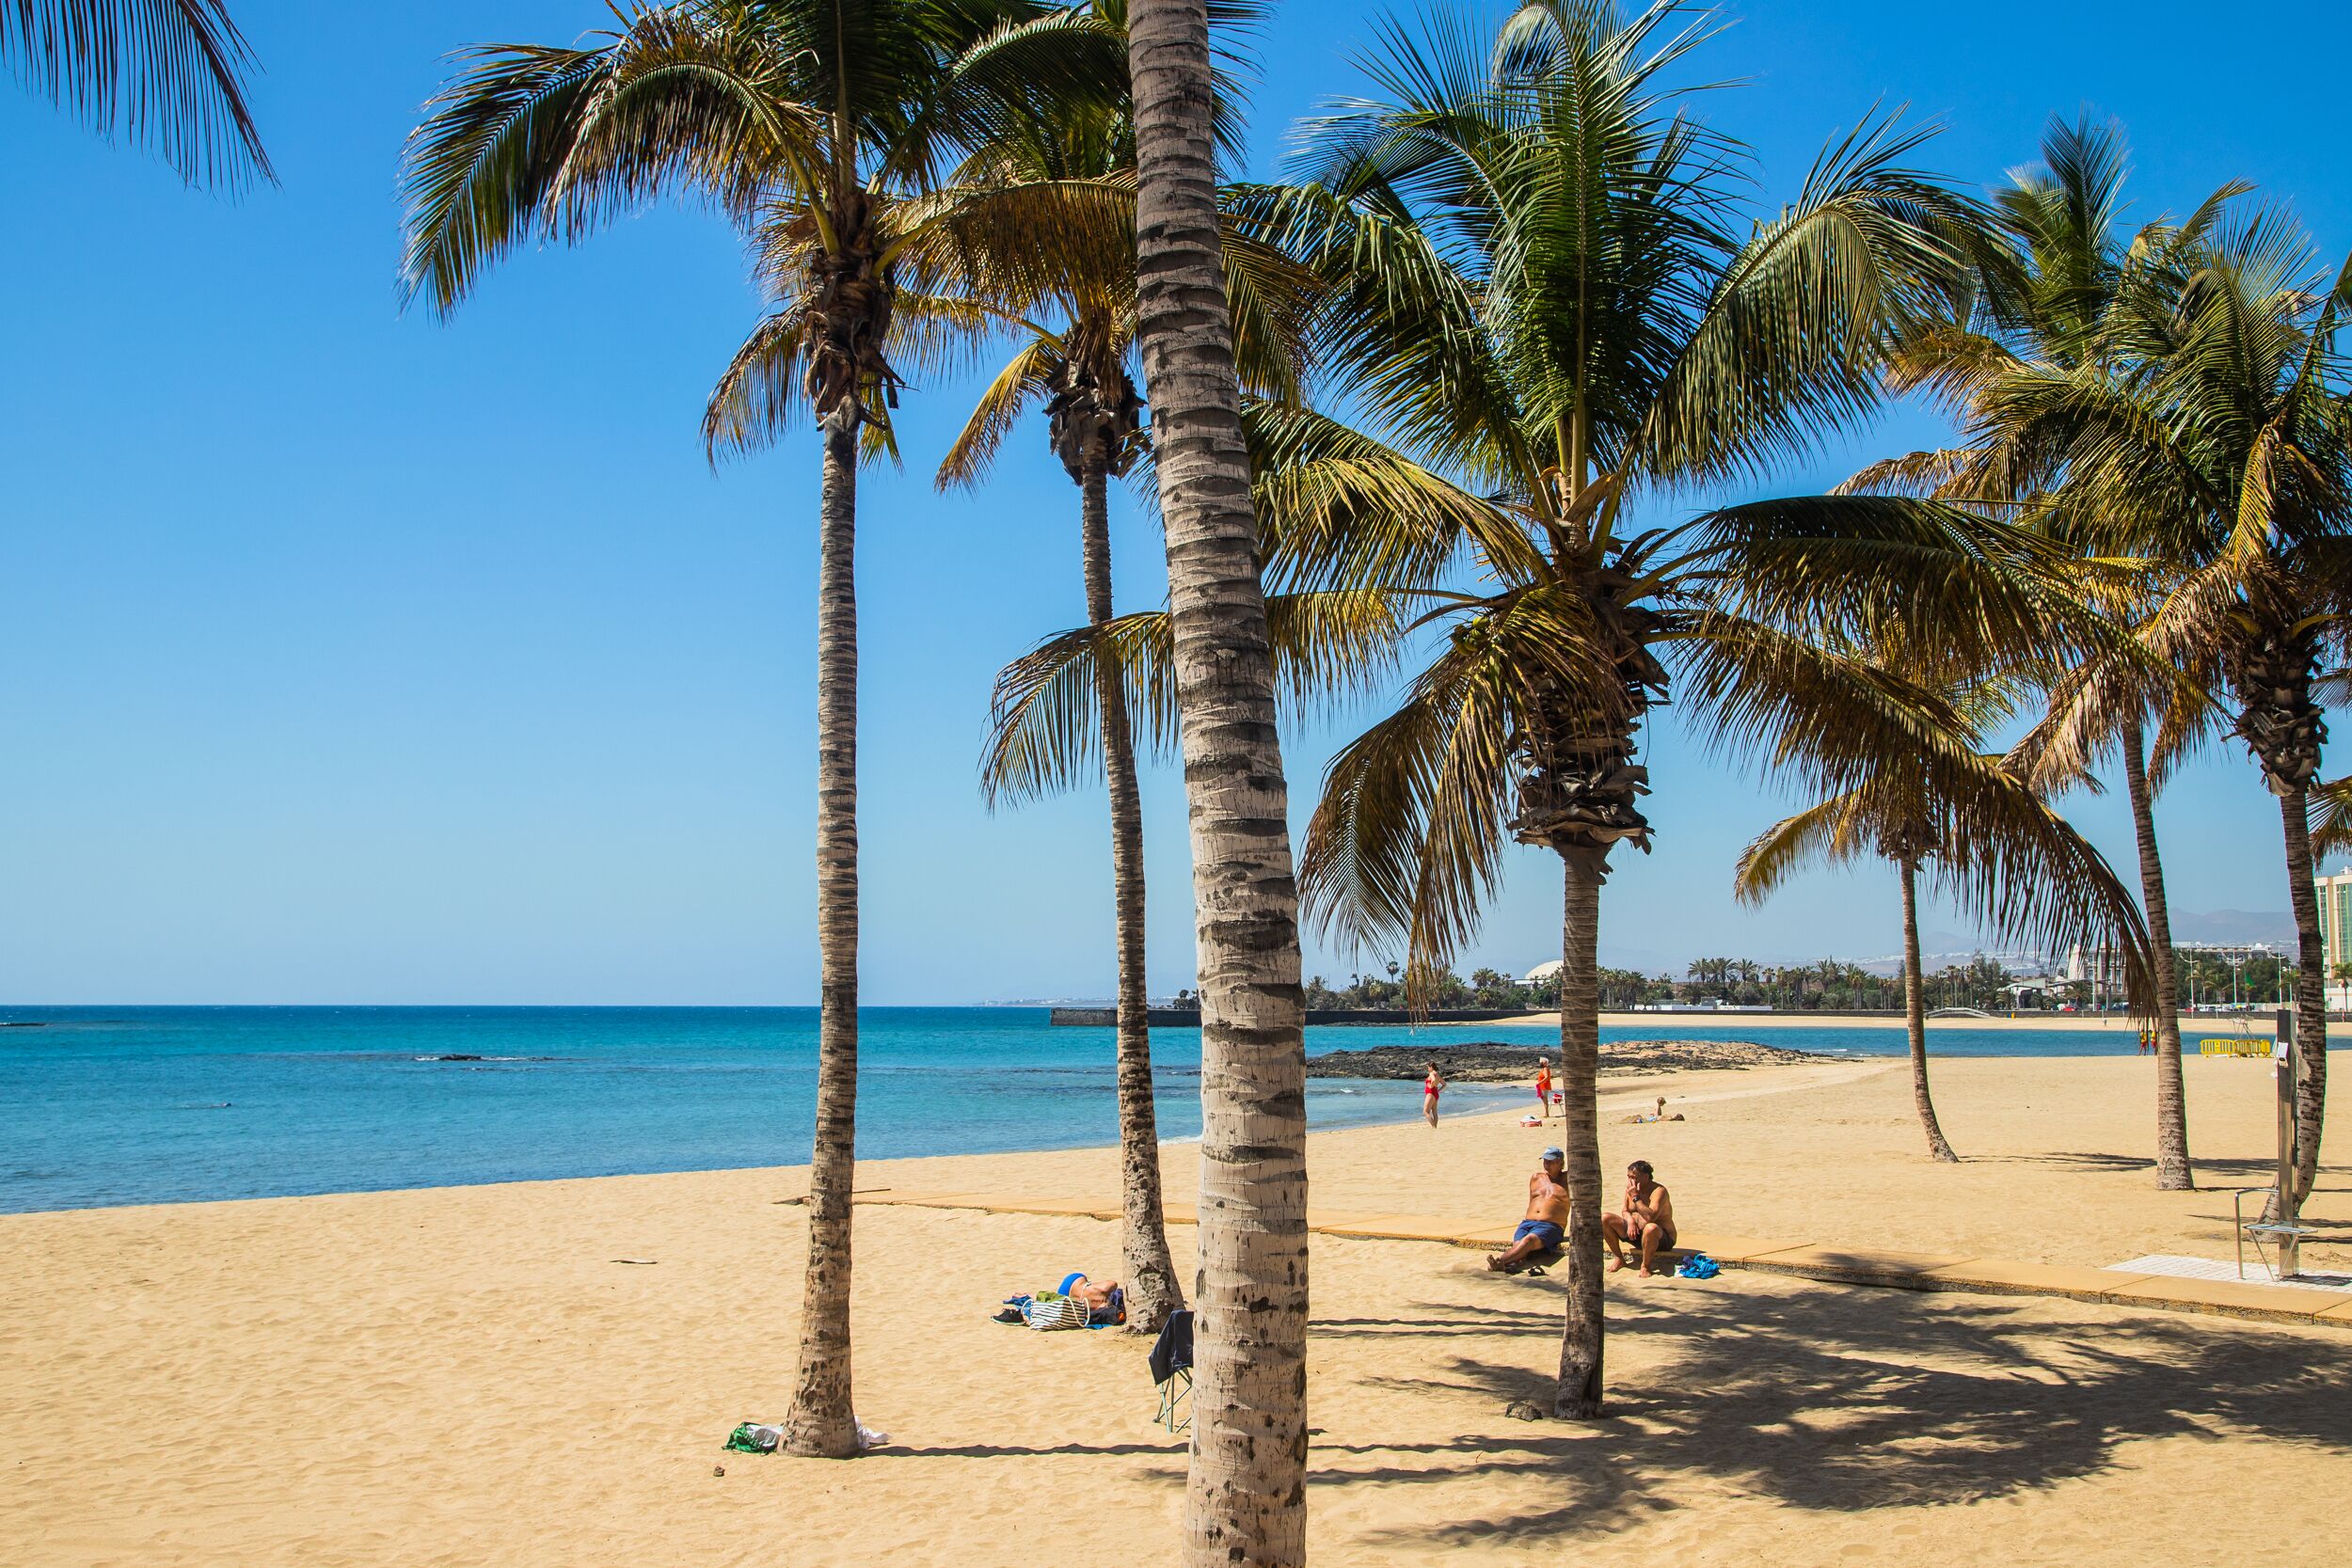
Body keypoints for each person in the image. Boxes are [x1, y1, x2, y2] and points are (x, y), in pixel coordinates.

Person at [1487, 1148, 1570, 1274]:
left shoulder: (1568, 1179)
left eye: (1550, 1161)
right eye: (1545, 1161)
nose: (1546, 1164)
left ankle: (1500, 1262)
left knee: (1528, 1241)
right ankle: (1514, 1265)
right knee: (1519, 1246)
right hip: (1527, 1223)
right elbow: (1532, 1200)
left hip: (1551, 1226)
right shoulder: (1536, 1177)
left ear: (1560, 1162)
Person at [1603, 1159, 1677, 1276]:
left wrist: (1636, 1197)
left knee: (1650, 1228)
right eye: (1628, 1177)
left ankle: (1645, 1266)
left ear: (1646, 1177)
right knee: (1605, 1218)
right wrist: (1631, 1221)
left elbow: (1650, 1218)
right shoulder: (1631, 1189)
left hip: (1660, 1239)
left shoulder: (1659, 1191)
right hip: (1636, 1233)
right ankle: (1619, 1259)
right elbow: (1625, 1210)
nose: (1630, 1181)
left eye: (1634, 1177)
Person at [1422, 1061, 1443, 1128]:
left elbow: (1433, 1080)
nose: (1428, 1069)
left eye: (1428, 1067)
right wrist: (1438, 1090)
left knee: (1426, 1112)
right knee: (1434, 1113)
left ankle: (1433, 1127)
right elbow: (1444, 1084)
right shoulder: (1438, 1074)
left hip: (1431, 1093)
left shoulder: (1432, 1073)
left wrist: (1431, 1086)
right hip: (1435, 1093)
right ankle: (1435, 1127)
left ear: (1431, 1067)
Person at [1534, 1057, 1552, 1121]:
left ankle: (1546, 1113)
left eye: (1542, 1062)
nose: (1541, 1063)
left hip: (1544, 1086)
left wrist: (1539, 1083)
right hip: (1543, 1086)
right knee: (1544, 1099)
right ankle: (1546, 1113)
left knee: (1545, 1099)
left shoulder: (1545, 1068)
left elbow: (1546, 1077)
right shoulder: (1544, 1069)